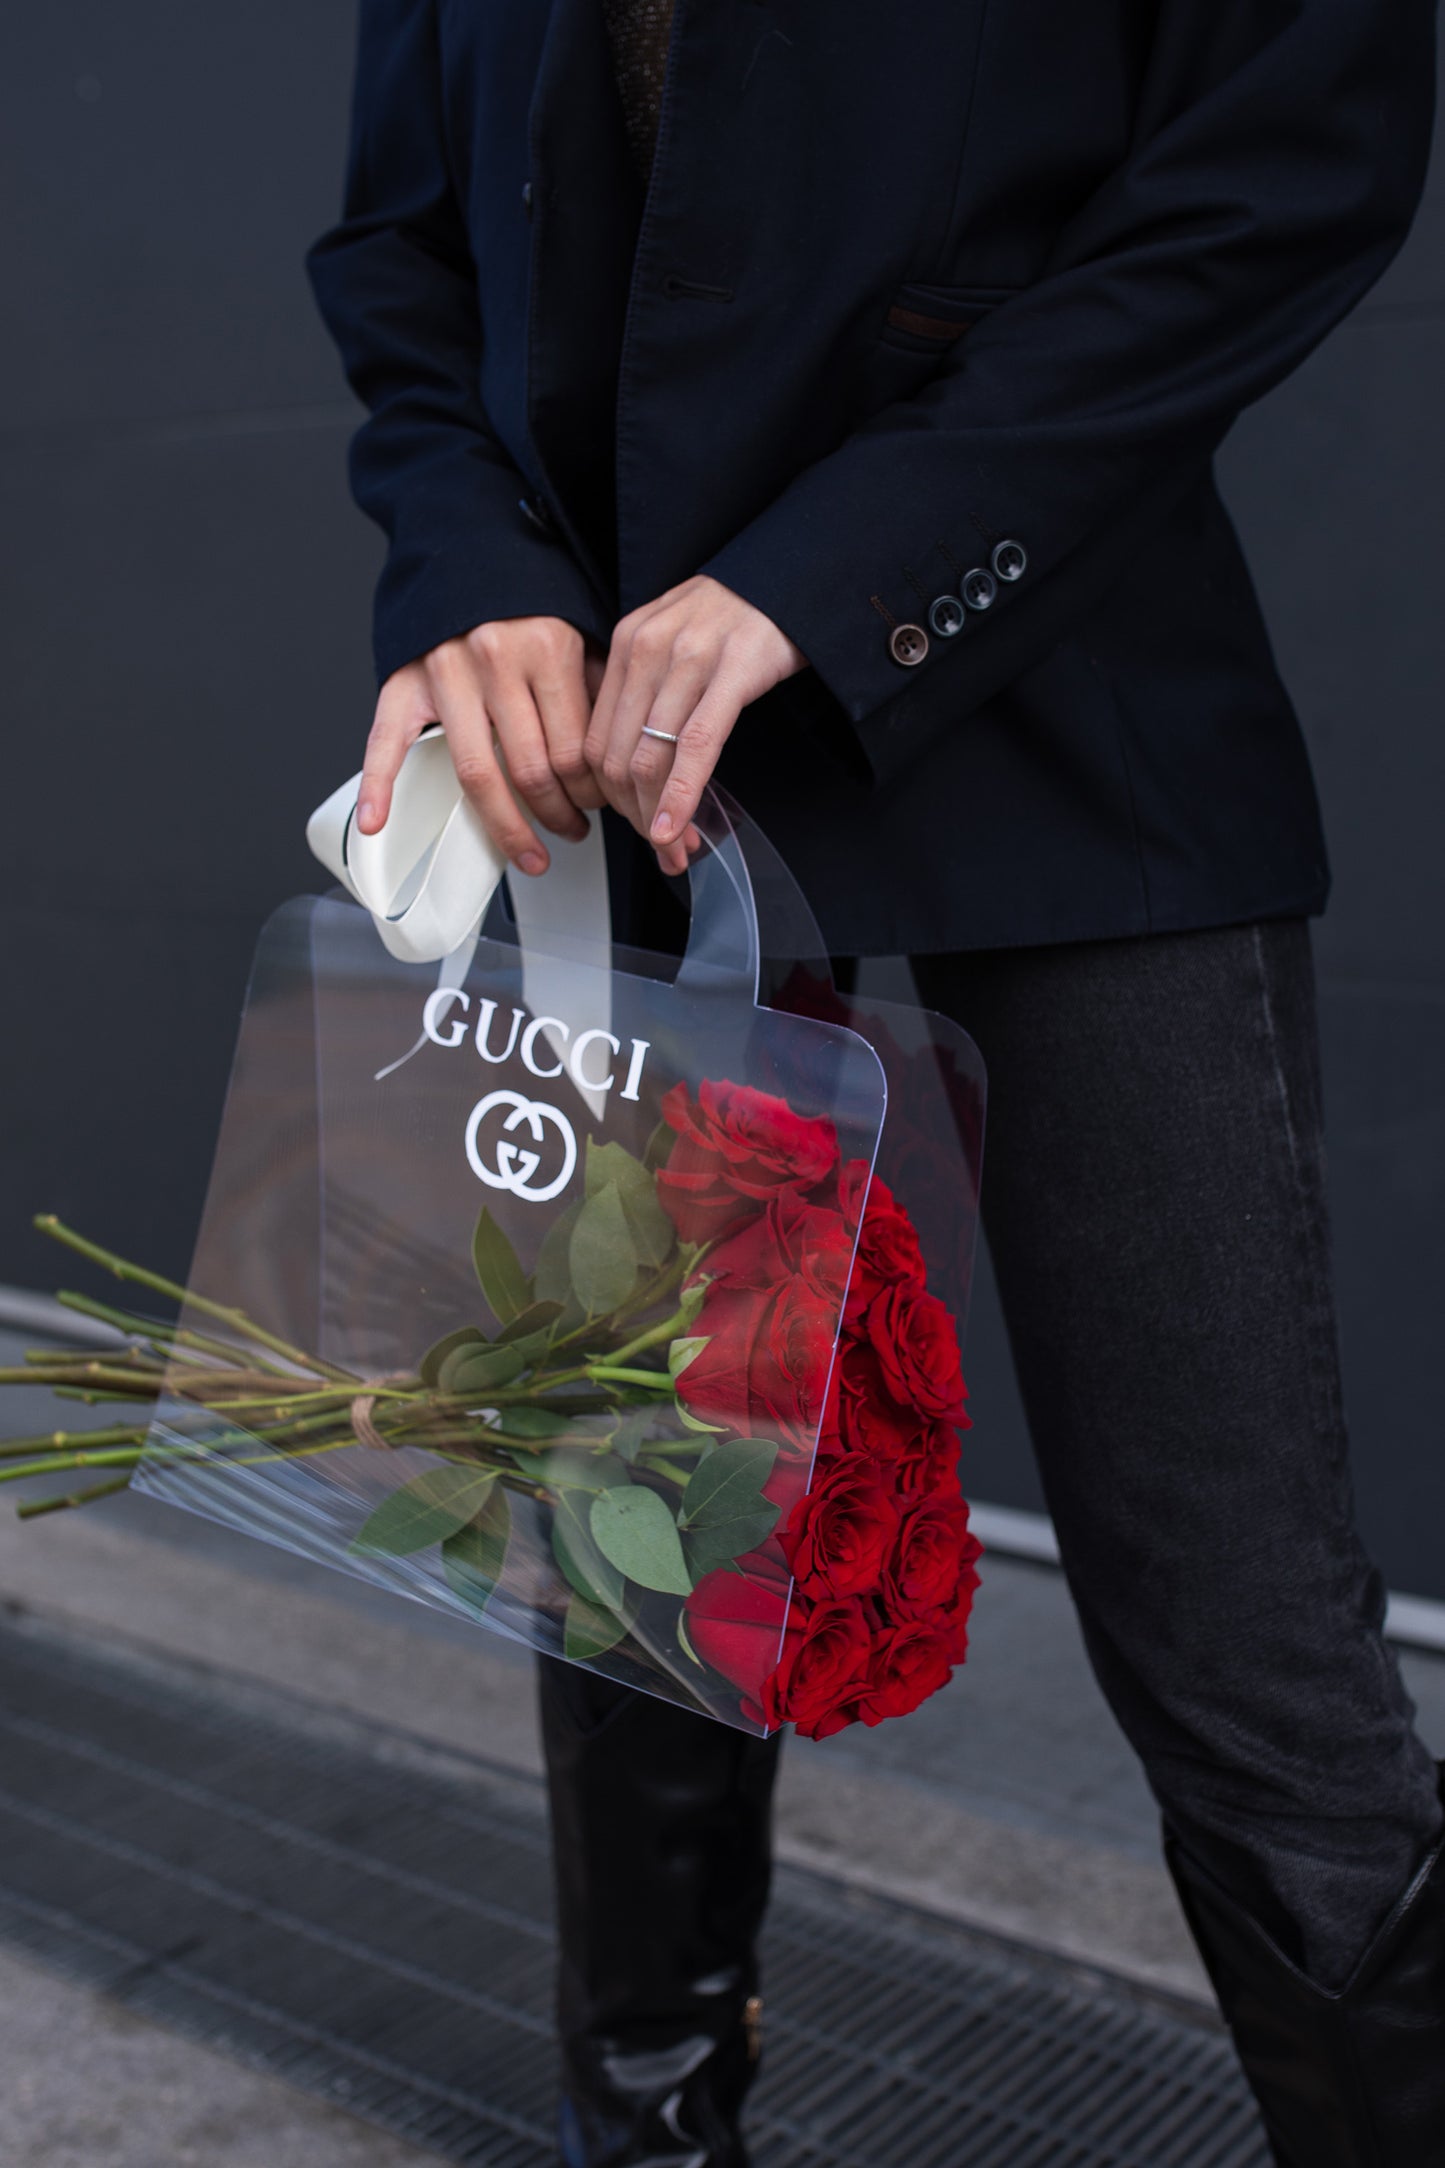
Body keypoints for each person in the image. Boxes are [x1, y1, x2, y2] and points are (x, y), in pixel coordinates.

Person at [307, 0, 1445, 2158]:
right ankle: (644, 2115)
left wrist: (837, 576)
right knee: (646, 1542)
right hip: (602, 776)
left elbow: (1296, 153)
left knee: (1243, 1631)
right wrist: (473, 585)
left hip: (1067, 707)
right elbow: (400, 250)